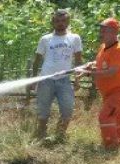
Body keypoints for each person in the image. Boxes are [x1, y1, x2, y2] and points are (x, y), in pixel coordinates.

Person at [76, 18, 120, 149]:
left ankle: (110, 145)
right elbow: (102, 63)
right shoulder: (104, 47)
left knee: (105, 116)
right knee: (115, 115)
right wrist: (91, 65)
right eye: (100, 30)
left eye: (104, 31)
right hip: (109, 91)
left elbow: (111, 72)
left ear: (114, 32)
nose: (101, 33)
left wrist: (89, 73)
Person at [29, 9, 83, 142]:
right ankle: (42, 133)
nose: (60, 23)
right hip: (46, 79)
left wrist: (77, 79)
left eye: (63, 21)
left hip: (64, 80)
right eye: (57, 21)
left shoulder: (75, 38)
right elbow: (37, 61)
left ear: (68, 22)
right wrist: (34, 80)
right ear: (53, 23)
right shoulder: (45, 39)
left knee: (68, 108)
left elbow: (78, 61)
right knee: (43, 109)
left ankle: (60, 134)